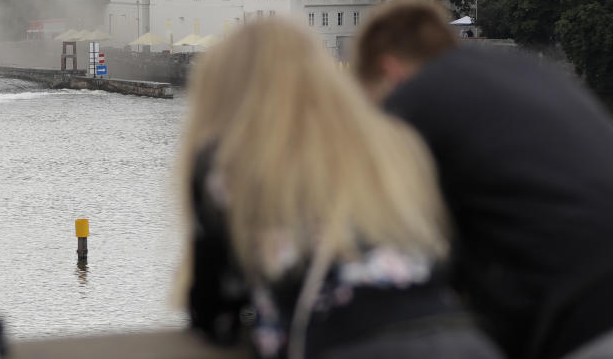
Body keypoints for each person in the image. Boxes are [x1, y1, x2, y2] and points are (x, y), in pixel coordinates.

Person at [180, 18, 501, 359]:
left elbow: (214, 305)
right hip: (460, 337)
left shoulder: (229, 161)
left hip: (349, 342)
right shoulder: (391, 141)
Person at [354, 0, 613, 359]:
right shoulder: (523, 70)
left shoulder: (415, 101)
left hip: (584, 316)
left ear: (390, 70)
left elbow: (383, 231)